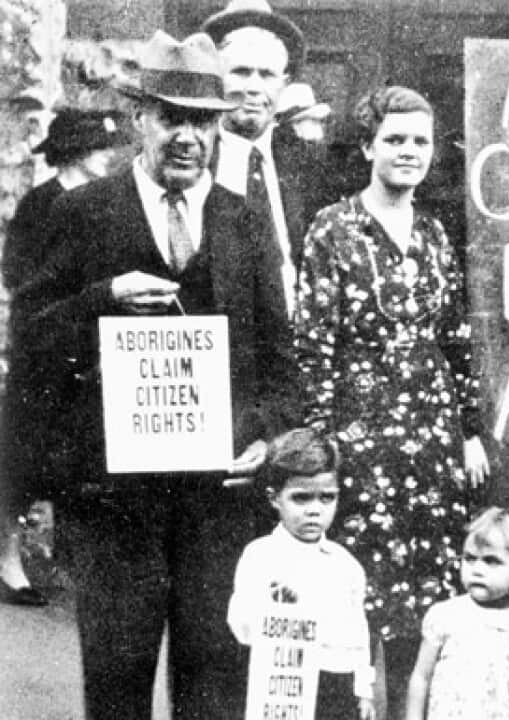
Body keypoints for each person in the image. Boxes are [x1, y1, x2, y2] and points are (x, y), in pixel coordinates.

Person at [13, 30, 297, 719]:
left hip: (218, 503)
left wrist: (263, 436)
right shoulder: (81, 213)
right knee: (117, 683)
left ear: (221, 125)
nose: (187, 137)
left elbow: (281, 364)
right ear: (140, 117)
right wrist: (101, 298)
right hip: (114, 504)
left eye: (202, 120)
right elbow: (31, 342)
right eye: (172, 117)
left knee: (214, 681)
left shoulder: (243, 222)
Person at [293, 84, 490, 720]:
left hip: (430, 442)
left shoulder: (434, 234)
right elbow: (314, 342)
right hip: (360, 438)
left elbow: (454, 337)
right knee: (356, 599)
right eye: (396, 140)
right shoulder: (333, 227)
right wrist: (323, 443)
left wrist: (468, 431)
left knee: (421, 604)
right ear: (369, 147)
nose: (409, 152)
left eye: (421, 141)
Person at [1, 108, 130, 607]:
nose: (110, 158)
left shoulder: (102, 203)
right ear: (78, 152)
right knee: (23, 460)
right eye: (102, 150)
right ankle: (9, 560)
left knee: (76, 458)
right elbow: (22, 279)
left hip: (89, 350)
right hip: (44, 351)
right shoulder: (41, 204)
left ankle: (69, 559)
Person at [227, 428, 375, 720]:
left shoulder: (345, 565)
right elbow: (240, 625)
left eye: (326, 498)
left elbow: (358, 631)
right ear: (274, 498)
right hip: (283, 681)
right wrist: (275, 609)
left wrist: (364, 689)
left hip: (336, 684)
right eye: (301, 498)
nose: (314, 510)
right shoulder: (260, 556)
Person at [202, 0, 329, 313]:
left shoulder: (308, 164)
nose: (255, 88)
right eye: (241, 73)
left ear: (285, 84)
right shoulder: (193, 159)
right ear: (215, 78)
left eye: (267, 75)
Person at [404, 507, 509, 720]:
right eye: (470, 558)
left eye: (492, 561)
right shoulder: (446, 616)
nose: (477, 569)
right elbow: (421, 677)